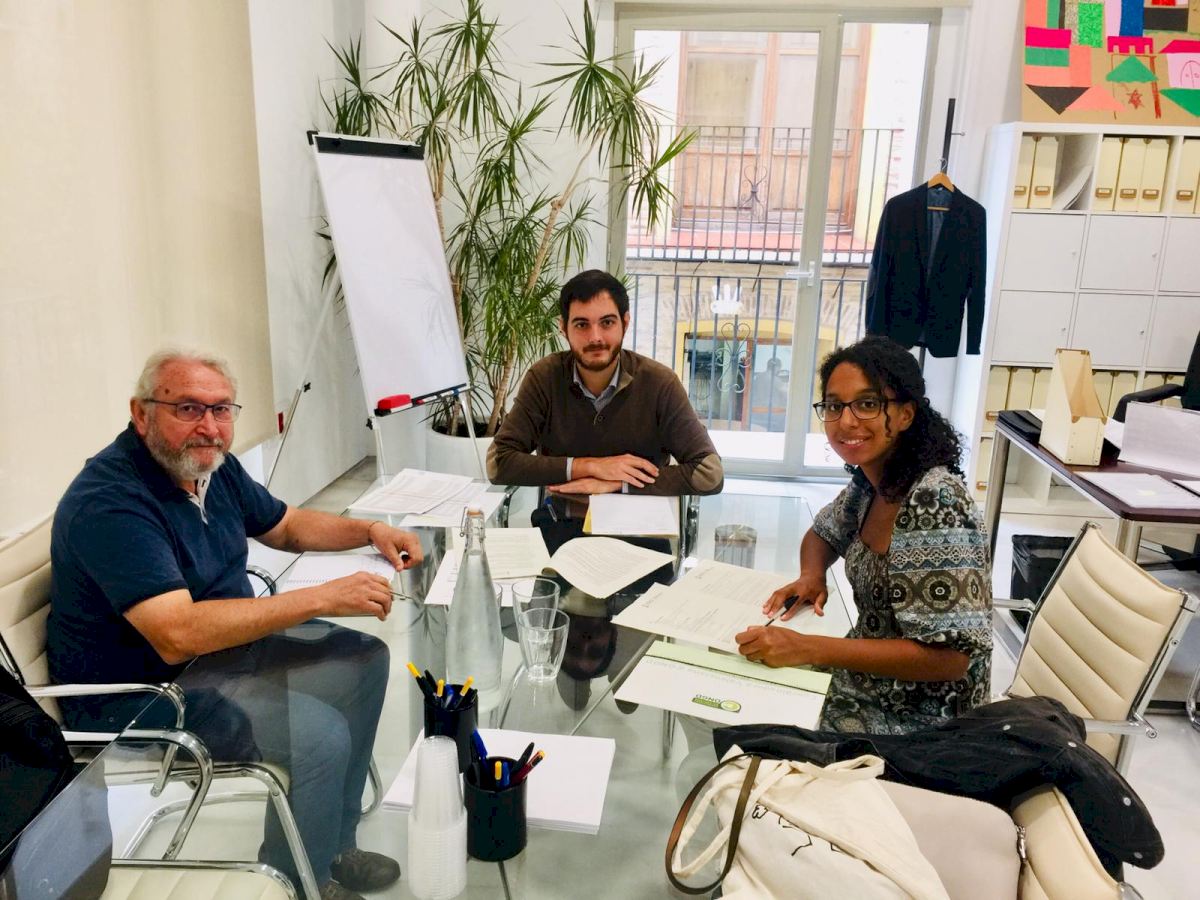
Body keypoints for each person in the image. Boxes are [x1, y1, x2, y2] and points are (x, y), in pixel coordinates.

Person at [47, 350, 423, 900]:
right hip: (144, 693)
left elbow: (286, 525)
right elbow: (177, 635)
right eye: (188, 408)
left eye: (221, 409)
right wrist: (321, 597)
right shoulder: (111, 501)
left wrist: (369, 532)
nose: (209, 425)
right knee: (318, 737)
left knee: (363, 658)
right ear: (141, 413)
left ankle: (333, 846)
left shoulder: (207, 467)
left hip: (222, 654)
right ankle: (300, 883)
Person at [735, 335, 992, 735]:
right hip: (867, 681)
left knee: (744, 720)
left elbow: (949, 658)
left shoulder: (933, 501)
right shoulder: (874, 483)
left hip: (921, 723)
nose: (846, 421)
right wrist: (811, 575)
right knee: (731, 689)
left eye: (868, 404)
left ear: (905, 414)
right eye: (834, 405)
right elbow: (821, 535)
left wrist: (808, 647)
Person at [488, 269, 724, 501]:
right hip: (561, 518)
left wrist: (617, 485)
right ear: (563, 328)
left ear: (625, 323)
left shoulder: (659, 383)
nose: (595, 337)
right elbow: (497, 463)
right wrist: (591, 466)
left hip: (641, 521)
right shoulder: (544, 378)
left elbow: (710, 473)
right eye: (582, 325)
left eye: (607, 322)